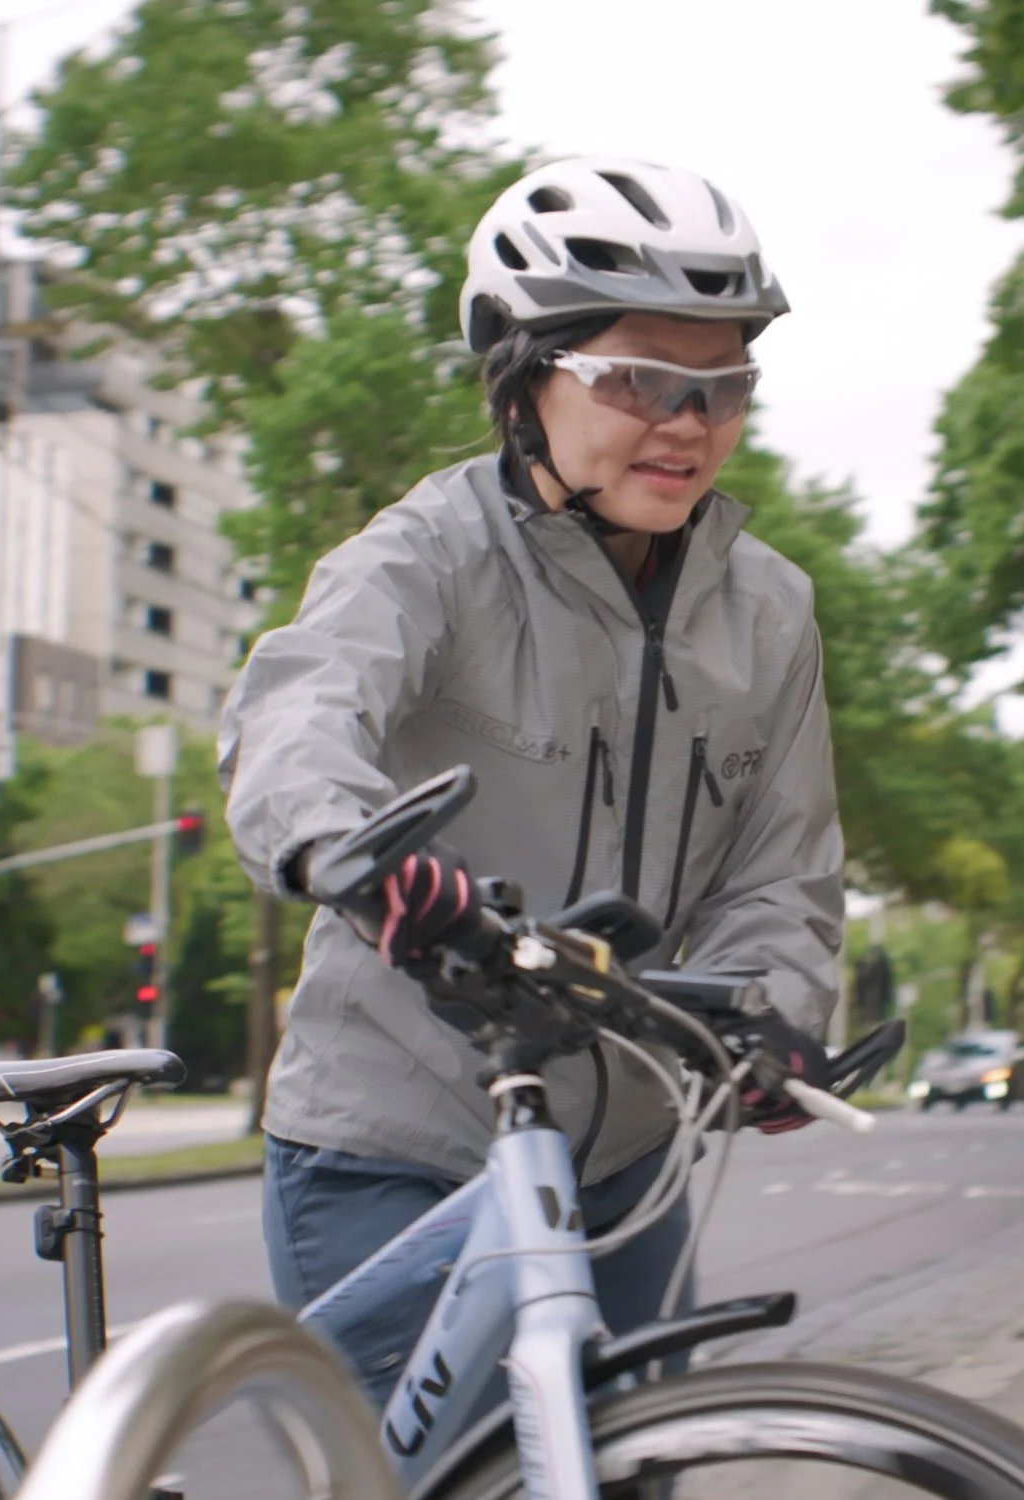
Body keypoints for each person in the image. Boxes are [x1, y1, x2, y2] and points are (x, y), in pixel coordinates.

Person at [219, 155, 845, 1407]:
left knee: (633, 1471)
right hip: (396, 1144)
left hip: (624, 1161)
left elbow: (782, 866)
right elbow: (297, 717)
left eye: (724, 388)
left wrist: (773, 1009)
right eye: (639, 380)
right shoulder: (424, 557)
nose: (689, 422)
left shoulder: (771, 608)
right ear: (521, 375)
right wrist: (362, 859)